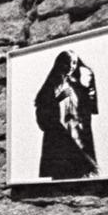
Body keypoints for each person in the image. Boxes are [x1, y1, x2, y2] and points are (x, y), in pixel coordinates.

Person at [35, 50, 99, 180]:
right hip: (59, 136)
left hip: (78, 132)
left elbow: (89, 107)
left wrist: (90, 85)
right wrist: (58, 99)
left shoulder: (77, 85)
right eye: (68, 63)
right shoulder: (51, 86)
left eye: (74, 63)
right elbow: (42, 108)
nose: (71, 66)